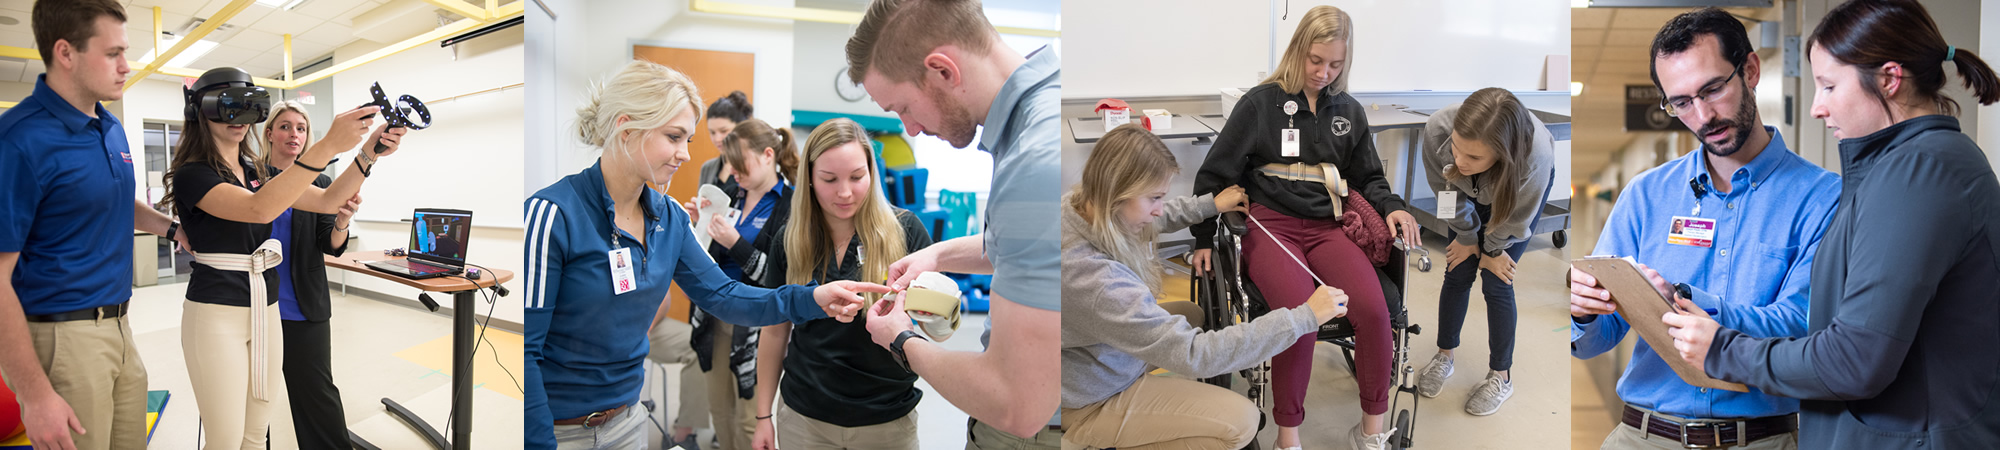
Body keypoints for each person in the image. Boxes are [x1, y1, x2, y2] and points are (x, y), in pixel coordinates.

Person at [1660, 1, 2000, 448]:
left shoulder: (1920, 173)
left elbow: (1855, 359)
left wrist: (1722, 349)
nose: (1818, 107)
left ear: (1889, 79)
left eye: (1829, 86)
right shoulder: (1897, 171)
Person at [522, 60, 888, 449]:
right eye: (674, 137)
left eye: (688, 141)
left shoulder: (669, 219)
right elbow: (526, 351)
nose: (684, 154)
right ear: (626, 128)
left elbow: (724, 296)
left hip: (628, 422)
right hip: (560, 430)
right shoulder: (553, 215)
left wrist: (810, 297)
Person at [1568, 7, 1840, 450]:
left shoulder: (1823, 198)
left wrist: (1681, 302)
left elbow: (1806, 327)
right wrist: (1583, 310)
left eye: (1713, 89)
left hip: (1761, 440)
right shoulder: (1645, 195)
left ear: (1750, 70)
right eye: (1681, 102)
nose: (1702, 116)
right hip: (1642, 436)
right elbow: (1600, 338)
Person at [1187, 6, 1423, 449]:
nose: (1323, 72)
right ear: (1298, 50)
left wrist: (1391, 206)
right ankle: (1287, 437)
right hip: (1269, 225)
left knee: (1374, 310)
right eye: (1316, 60)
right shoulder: (1259, 104)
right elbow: (1214, 175)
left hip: (1327, 226)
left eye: (1335, 64)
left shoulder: (1348, 110)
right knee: (1302, 316)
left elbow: (1369, 176)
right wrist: (1202, 237)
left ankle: (1371, 431)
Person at [845, 0, 1063, 446]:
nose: (910, 129)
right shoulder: (1041, 116)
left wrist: (901, 339)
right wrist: (939, 254)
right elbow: (1026, 249)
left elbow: (1016, 404)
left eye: (903, 107)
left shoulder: (1034, 162)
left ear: (943, 70)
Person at [1061, 124, 1349, 450]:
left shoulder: (1078, 206)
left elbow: (1155, 215)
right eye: (1154, 197)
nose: (1158, 209)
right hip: (1088, 399)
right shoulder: (1098, 282)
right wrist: (1304, 317)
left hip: (1087, 356)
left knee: (1190, 314)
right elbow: (1195, 353)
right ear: (1115, 193)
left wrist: (1209, 205)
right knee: (1241, 422)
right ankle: (1102, 436)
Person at [164, 67, 391, 449]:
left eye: (248, 108)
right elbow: (259, 209)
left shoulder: (254, 169)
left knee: (255, 431)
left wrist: (369, 152)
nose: (239, 120)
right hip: (218, 309)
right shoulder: (194, 174)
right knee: (226, 436)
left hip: (265, 306)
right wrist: (327, 146)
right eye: (227, 108)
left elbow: (325, 200)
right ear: (199, 112)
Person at [0, 1, 186, 448]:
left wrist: (174, 229)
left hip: (121, 327)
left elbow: (117, 202)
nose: (126, 66)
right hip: (63, 338)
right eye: (112, 53)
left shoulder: (109, 126)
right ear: (66, 53)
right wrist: (34, 393)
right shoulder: (19, 141)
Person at [743, 118, 934, 450]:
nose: (845, 192)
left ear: (872, 174)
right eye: (829, 179)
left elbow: (931, 324)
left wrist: (927, 310)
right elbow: (774, 331)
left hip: (887, 418)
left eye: (857, 177)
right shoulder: (789, 241)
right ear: (811, 180)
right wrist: (763, 417)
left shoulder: (907, 232)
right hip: (805, 418)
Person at [1412, 87, 1557, 416]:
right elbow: (1443, 189)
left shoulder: (1534, 157)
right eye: (1457, 149)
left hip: (1512, 198)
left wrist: (1492, 250)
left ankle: (1501, 377)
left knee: (1496, 281)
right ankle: (1444, 355)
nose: (1460, 161)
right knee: (1457, 270)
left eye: (1474, 157)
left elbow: (1517, 219)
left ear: (1502, 153)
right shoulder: (1438, 130)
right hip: (1462, 193)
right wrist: (1467, 235)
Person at [257, 100, 371, 450]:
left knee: (317, 396)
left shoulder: (322, 183)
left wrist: (342, 220)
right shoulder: (251, 176)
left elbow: (330, 244)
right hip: (256, 307)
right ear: (270, 133)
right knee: (253, 402)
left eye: (301, 128)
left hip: (303, 306)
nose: (294, 134)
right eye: (286, 126)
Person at [693, 117, 801, 450]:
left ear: (768, 155)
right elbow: (706, 257)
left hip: (756, 326)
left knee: (748, 419)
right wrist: (699, 226)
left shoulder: (791, 205)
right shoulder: (729, 195)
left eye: (742, 165)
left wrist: (735, 243)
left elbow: (777, 278)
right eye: (731, 166)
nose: (735, 173)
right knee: (720, 411)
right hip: (715, 317)